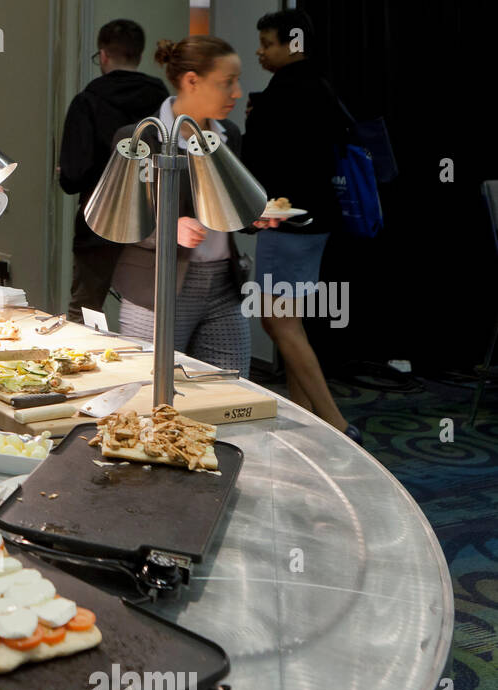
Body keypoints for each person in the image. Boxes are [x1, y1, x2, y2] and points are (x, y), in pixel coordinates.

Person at [111, 35, 278, 378]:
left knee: (233, 392)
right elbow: (118, 218)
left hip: (222, 284)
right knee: (153, 395)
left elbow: (229, 206)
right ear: (191, 81)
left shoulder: (228, 133)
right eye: (227, 82)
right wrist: (167, 229)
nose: (237, 92)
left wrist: (252, 216)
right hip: (157, 287)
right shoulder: (143, 135)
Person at [243, 10, 358, 442]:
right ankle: (305, 418)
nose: (259, 51)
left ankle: (335, 423)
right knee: (291, 320)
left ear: (291, 44)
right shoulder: (324, 86)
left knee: (279, 323)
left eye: (267, 43)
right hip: (321, 220)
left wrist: (255, 118)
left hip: (288, 222)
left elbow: (258, 162)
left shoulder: (282, 93)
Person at [58, 19, 168, 323]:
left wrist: (66, 172)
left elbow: (73, 176)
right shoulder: (163, 100)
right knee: (151, 309)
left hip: (100, 221)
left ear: (103, 55)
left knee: (86, 308)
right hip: (152, 219)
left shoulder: (88, 101)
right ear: (139, 55)